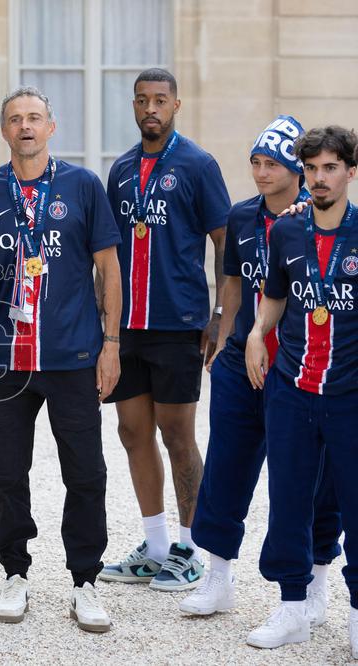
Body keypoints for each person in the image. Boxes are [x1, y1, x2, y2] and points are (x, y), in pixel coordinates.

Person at [0, 86, 122, 632]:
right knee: (7, 470)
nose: (25, 126)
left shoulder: (82, 185)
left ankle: (85, 581)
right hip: (7, 358)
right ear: (3, 131)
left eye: (34, 118)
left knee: (86, 472)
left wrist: (112, 344)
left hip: (73, 355)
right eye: (14, 119)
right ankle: (15, 572)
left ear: (52, 127)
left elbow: (109, 268)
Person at [180, 117, 342, 621]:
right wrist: (225, 336)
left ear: (298, 171)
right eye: (255, 161)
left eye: (272, 163)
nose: (260, 171)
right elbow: (231, 278)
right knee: (226, 468)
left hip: (295, 368)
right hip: (239, 364)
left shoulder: (312, 220)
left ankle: (315, 583)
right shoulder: (242, 216)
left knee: (312, 480)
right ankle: (218, 575)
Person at [100, 68, 230, 591]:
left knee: (178, 434)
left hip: (178, 323)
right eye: (141, 100)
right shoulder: (121, 170)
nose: (150, 108)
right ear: (133, 107)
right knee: (133, 432)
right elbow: (105, 256)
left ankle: (190, 547)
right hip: (127, 326)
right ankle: (154, 549)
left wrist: (220, 316)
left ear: (176, 105)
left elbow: (225, 242)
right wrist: (103, 322)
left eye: (160, 100)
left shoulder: (198, 164)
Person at [244, 126, 358, 656]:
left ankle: (356, 612)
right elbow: (274, 296)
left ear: (350, 172)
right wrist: (254, 335)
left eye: (330, 168)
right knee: (288, 499)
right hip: (292, 388)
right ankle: (293, 608)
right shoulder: (286, 233)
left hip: (349, 393)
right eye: (311, 169)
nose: (319, 179)